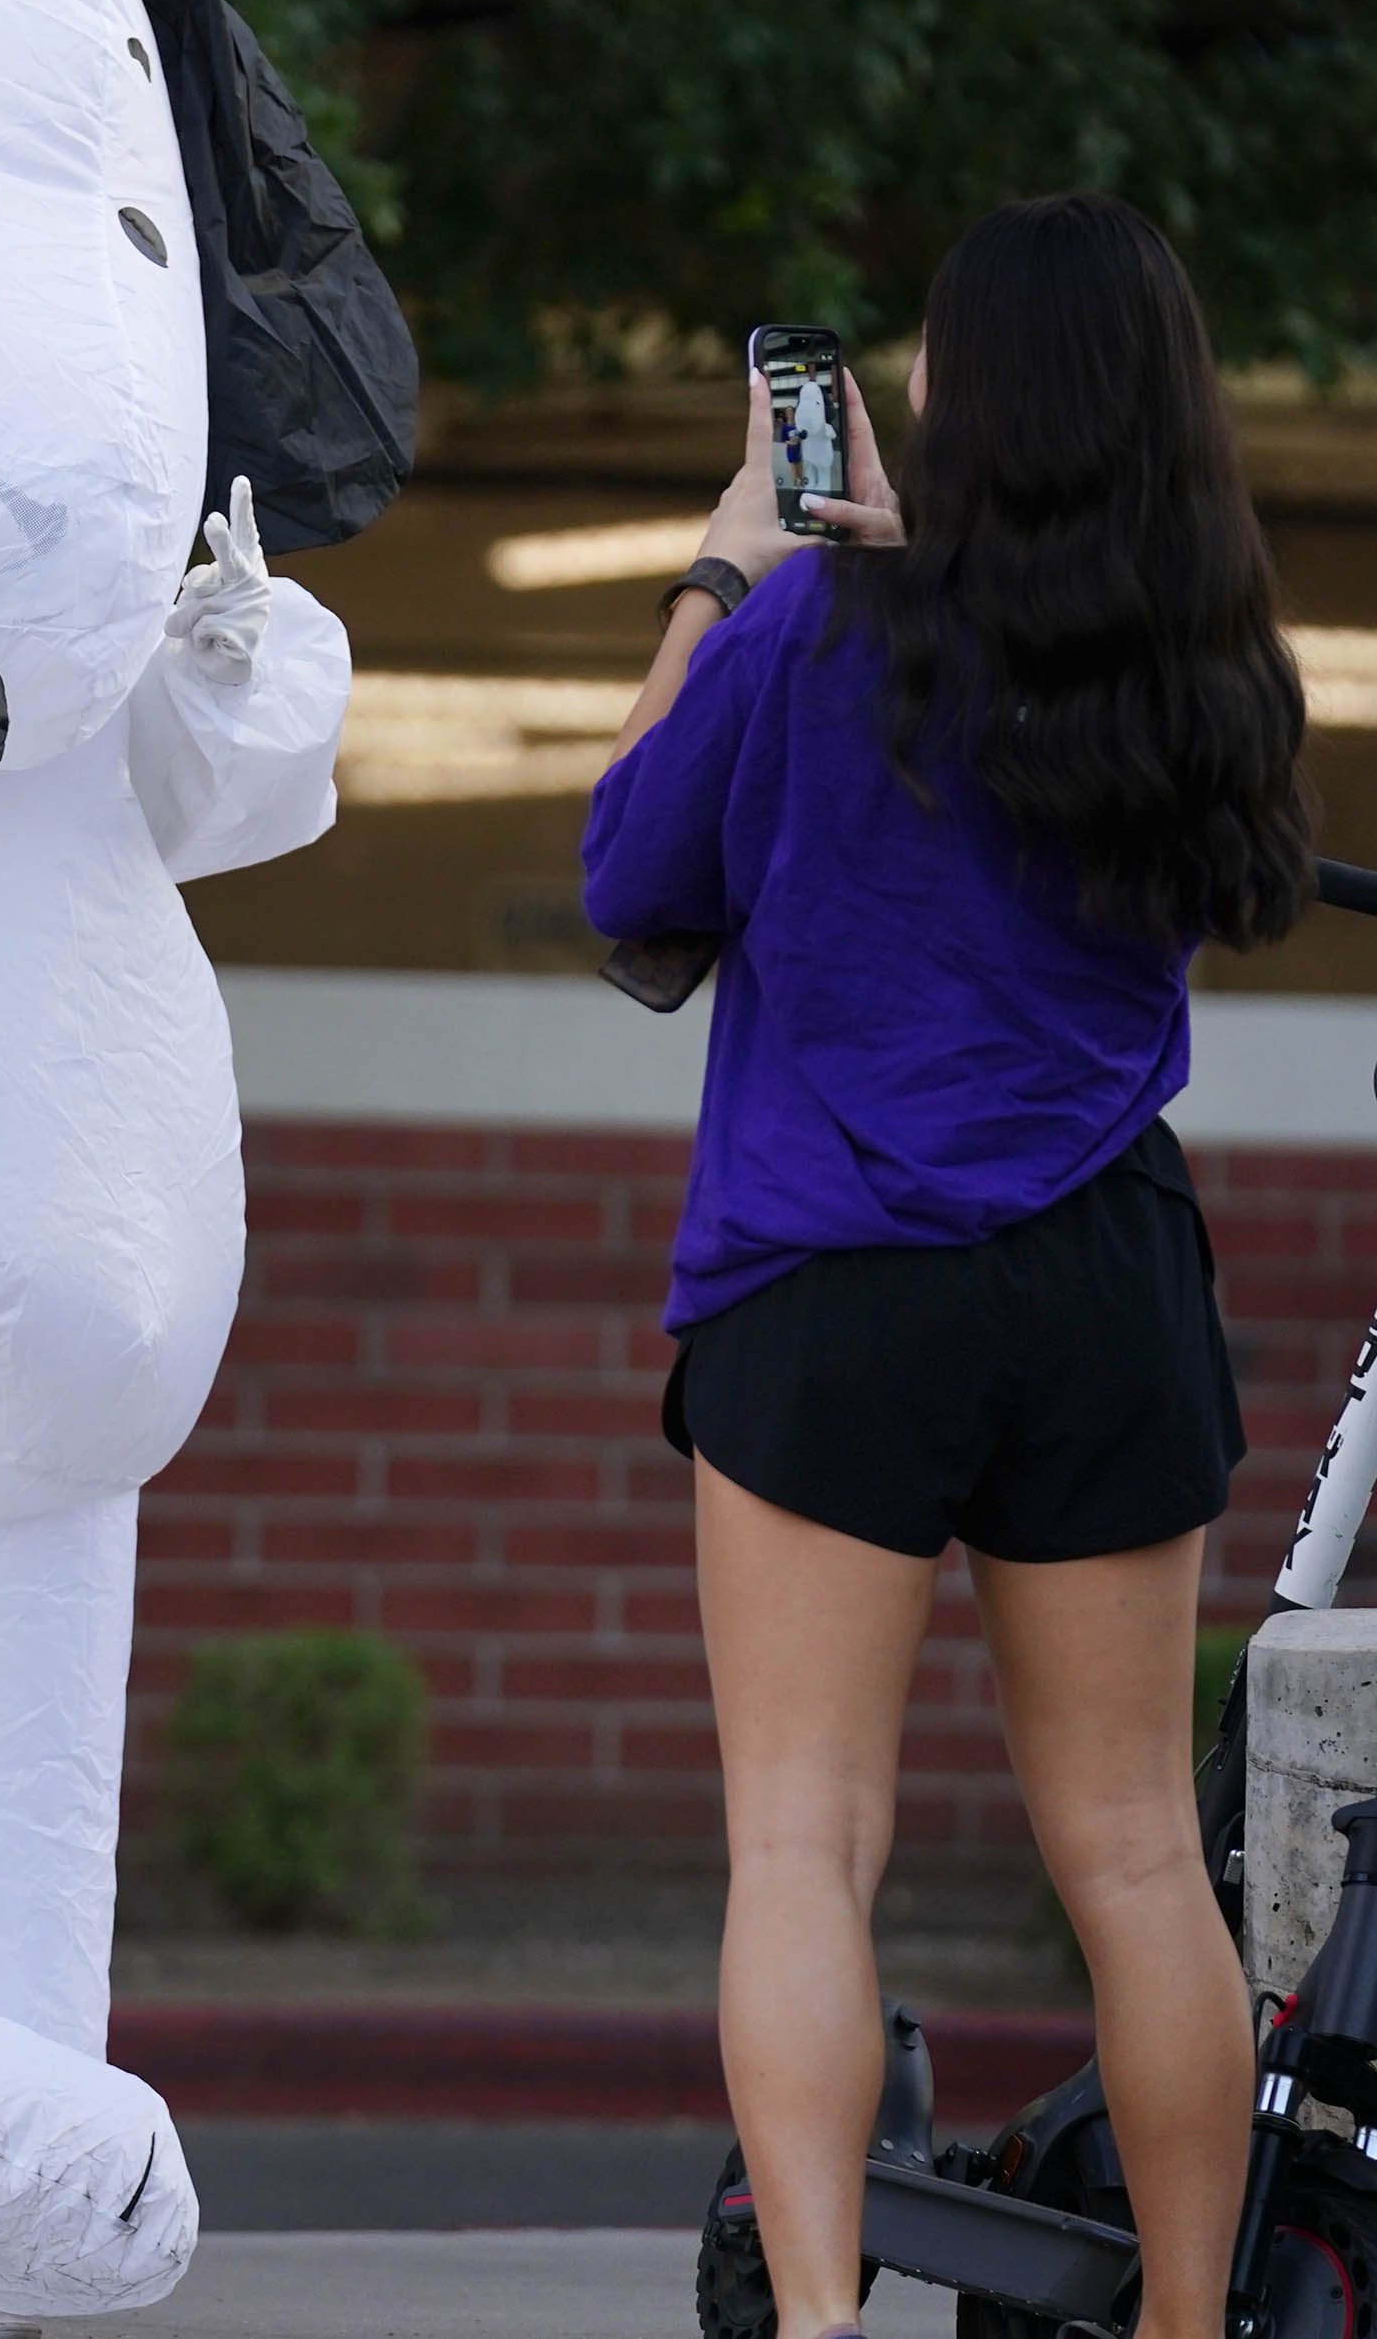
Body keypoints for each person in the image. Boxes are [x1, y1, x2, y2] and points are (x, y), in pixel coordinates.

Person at [584, 192, 1312, 2339]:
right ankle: (1189, 2319)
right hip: (1103, 1279)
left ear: (962, 388)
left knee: (805, 1839)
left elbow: (628, 863)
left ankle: (823, 2318)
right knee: (1136, 1850)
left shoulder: (820, 624)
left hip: (833, 1288)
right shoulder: (1203, 659)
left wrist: (732, 559)